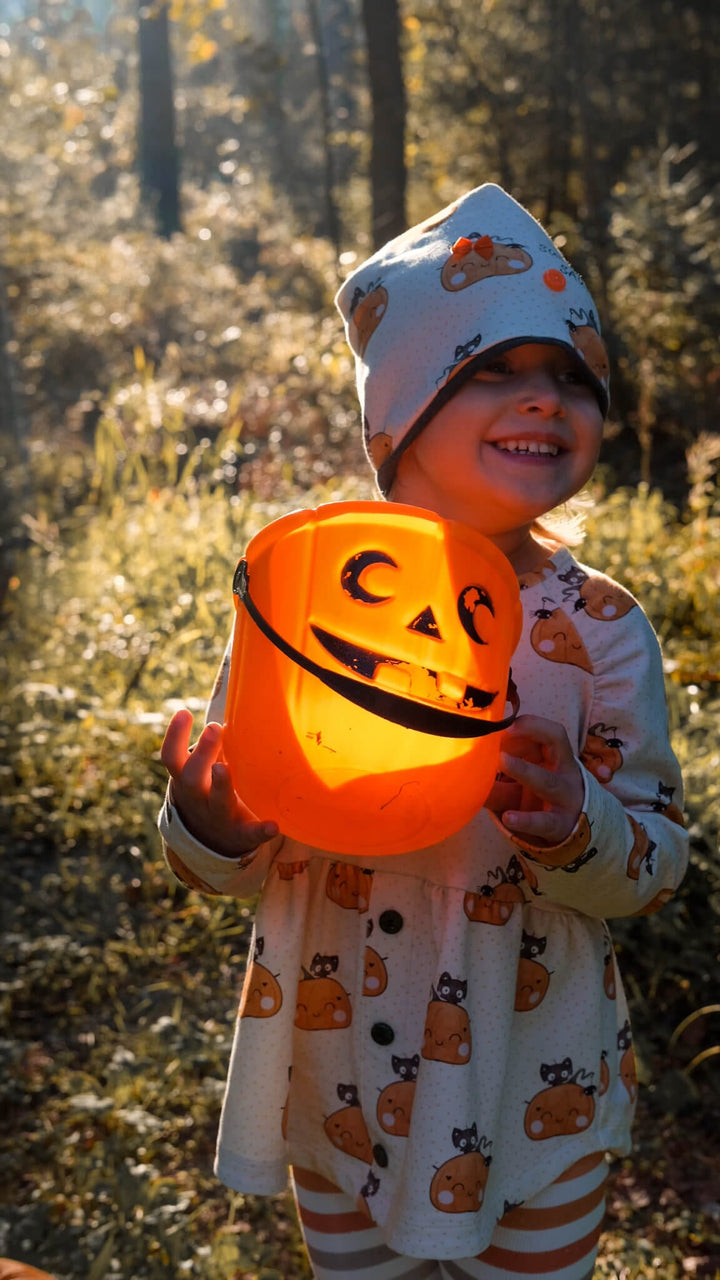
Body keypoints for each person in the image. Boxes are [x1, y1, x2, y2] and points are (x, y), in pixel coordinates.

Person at [158, 184, 688, 1280]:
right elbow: (226, 851)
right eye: (492, 368)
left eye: (571, 376)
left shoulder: (601, 631)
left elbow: (657, 861)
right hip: (338, 1065)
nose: (543, 397)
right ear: (398, 416)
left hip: (530, 1076)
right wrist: (209, 817)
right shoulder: (313, 598)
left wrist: (576, 825)